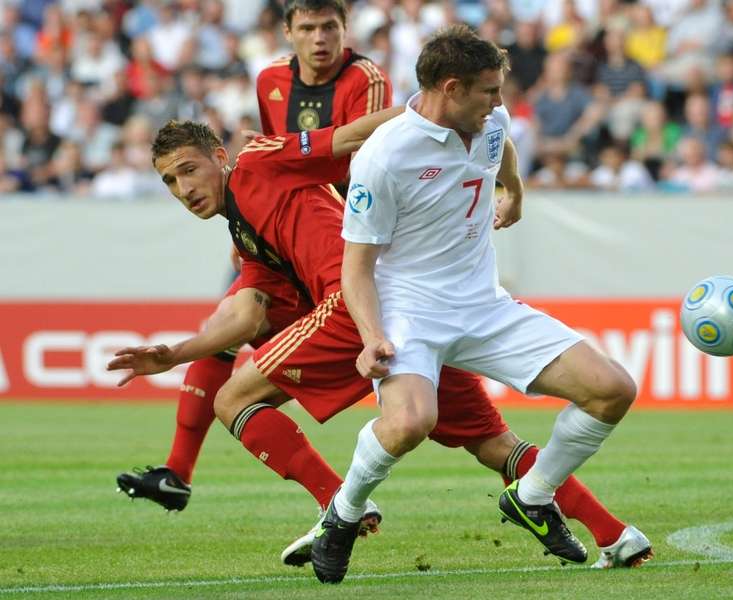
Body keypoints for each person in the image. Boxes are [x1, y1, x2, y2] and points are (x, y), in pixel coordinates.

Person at [132, 113, 651, 571]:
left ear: (220, 157)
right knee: (491, 443)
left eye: (190, 170)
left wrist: (426, 113)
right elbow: (246, 316)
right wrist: (176, 353)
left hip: (355, 301)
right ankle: (613, 534)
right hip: (416, 311)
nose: (183, 188)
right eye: (170, 181)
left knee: (233, 399)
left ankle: (338, 506)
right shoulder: (244, 234)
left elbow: (354, 133)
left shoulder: (257, 161)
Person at [325, 26, 645, 585]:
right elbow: (356, 266)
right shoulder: (384, 156)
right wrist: (372, 334)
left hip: (484, 305)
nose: (501, 104)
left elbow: (502, 148)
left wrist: (514, 191)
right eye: (490, 91)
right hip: (410, 309)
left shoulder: (488, 122)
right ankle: (343, 513)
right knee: (410, 422)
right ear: (450, 88)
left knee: (612, 390)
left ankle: (534, 495)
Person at [115, 0, 390, 513]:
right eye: (306, 28)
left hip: (348, 243)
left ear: (344, 30)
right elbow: (270, 154)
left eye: (328, 27)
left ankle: (340, 505)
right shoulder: (269, 82)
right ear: (288, 33)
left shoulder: (365, 78)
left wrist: (438, 115)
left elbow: (358, 150)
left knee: (237, 389)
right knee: (230, 320)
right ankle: (178, 471)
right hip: (273, 238)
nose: (318, 39)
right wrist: (250, 227)